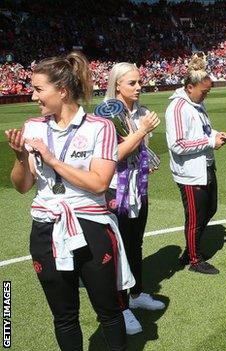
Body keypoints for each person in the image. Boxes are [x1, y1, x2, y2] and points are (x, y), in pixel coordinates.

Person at [5, 52, 132, 350]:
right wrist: (21, 158)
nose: (33, 95)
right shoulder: (33, 125)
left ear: (62, 91)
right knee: (63, 316)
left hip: (90, 228)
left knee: (109, 312)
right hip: (47, 228)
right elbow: (22, 186)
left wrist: (53, 161)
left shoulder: (99, 127)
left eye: (38, 89)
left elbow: (100, 182)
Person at [103, 62, 164, 335]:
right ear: (117, 85)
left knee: (135, 243)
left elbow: (138, 151)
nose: (139, 87)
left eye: (139, 82)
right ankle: (121, 307)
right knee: (119, 251)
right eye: (132, 83)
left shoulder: (140, 112)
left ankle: (136, 294)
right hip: (117, 189)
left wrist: (145, 161)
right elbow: (113, 154)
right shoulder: (106, 115)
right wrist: (141, 132)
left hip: (139, 188)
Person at [165, 54, 226, 274]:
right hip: (190, 172)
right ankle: (194, 259)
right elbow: (178, 144)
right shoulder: (177, 108)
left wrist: (215, 134)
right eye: (204, 92)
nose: (206, 95)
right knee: (195, 216)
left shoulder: (196, 104)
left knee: (210, 209)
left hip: (205, 167)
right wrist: (210, 141)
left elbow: (202, 131)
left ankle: (191, 249)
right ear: (190, 87)